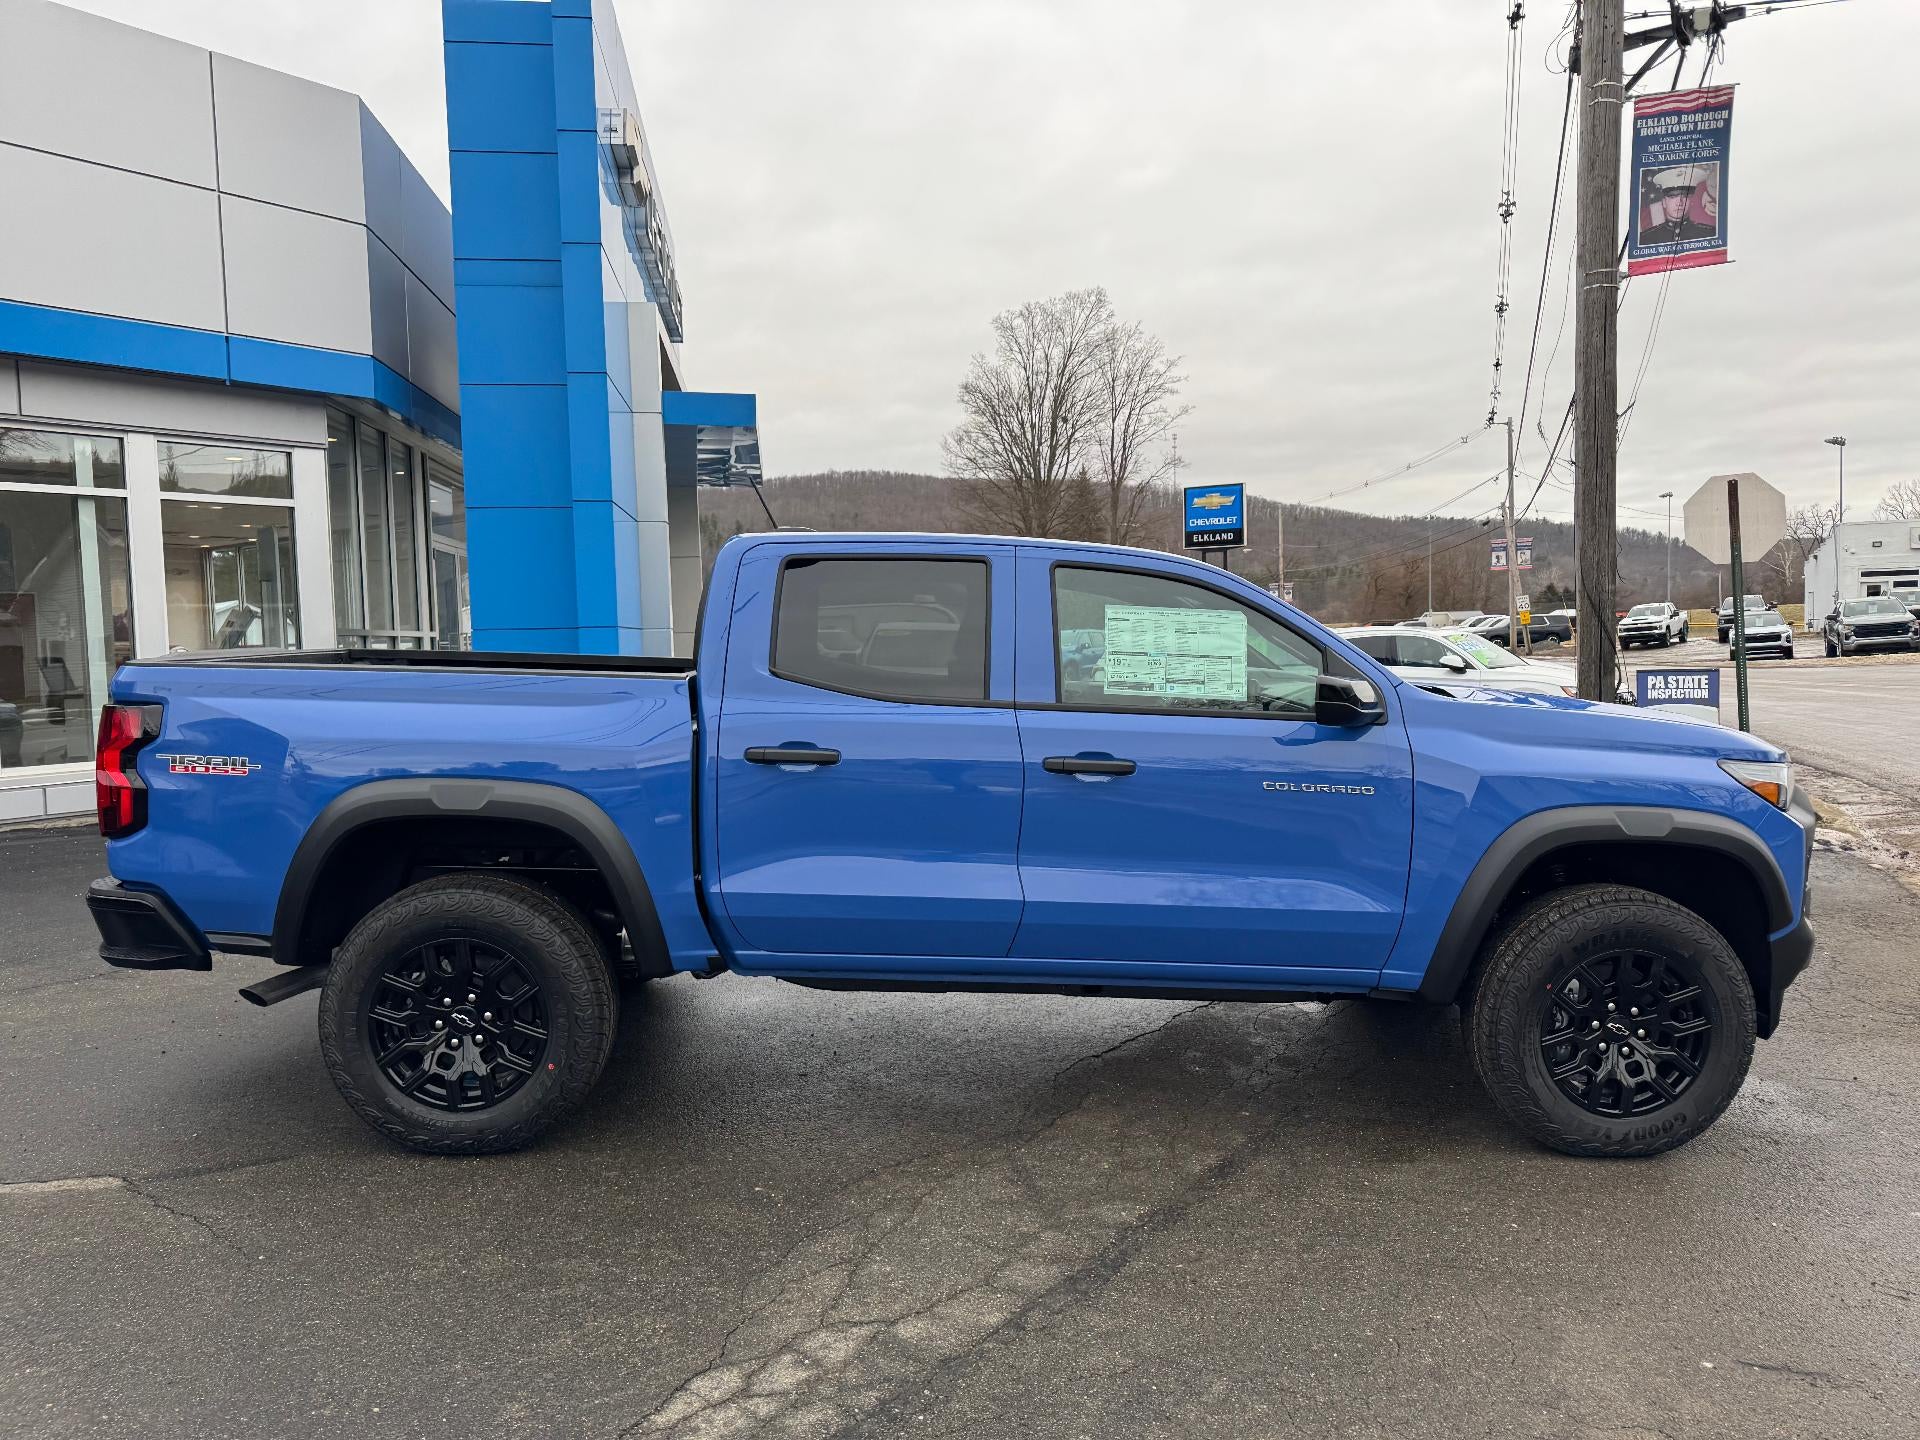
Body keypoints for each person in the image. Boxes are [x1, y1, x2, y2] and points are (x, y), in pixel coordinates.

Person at [1638, 165, 1718, 245]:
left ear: (1691, 201)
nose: (1679, 203)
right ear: (1664, 203)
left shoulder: (1709, 233)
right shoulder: (1645, 238)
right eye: (1672, 197)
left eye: (1685, 197)